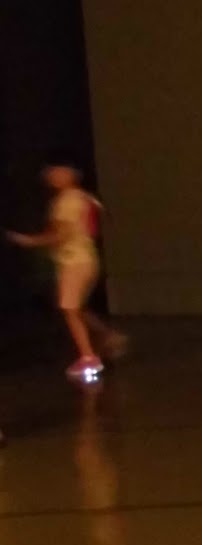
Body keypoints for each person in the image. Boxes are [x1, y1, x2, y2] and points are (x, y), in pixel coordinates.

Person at [6, 161, 126, 381]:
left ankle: (88, 357)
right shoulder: (84, 197)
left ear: (70, 173)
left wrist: (29, 241)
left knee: (69, 308)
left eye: (55, 171)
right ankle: (109, 336)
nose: (49, 175)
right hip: (86, 258)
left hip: (74, 261)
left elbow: (60, 235)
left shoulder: (66, 202)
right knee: (76, 307)